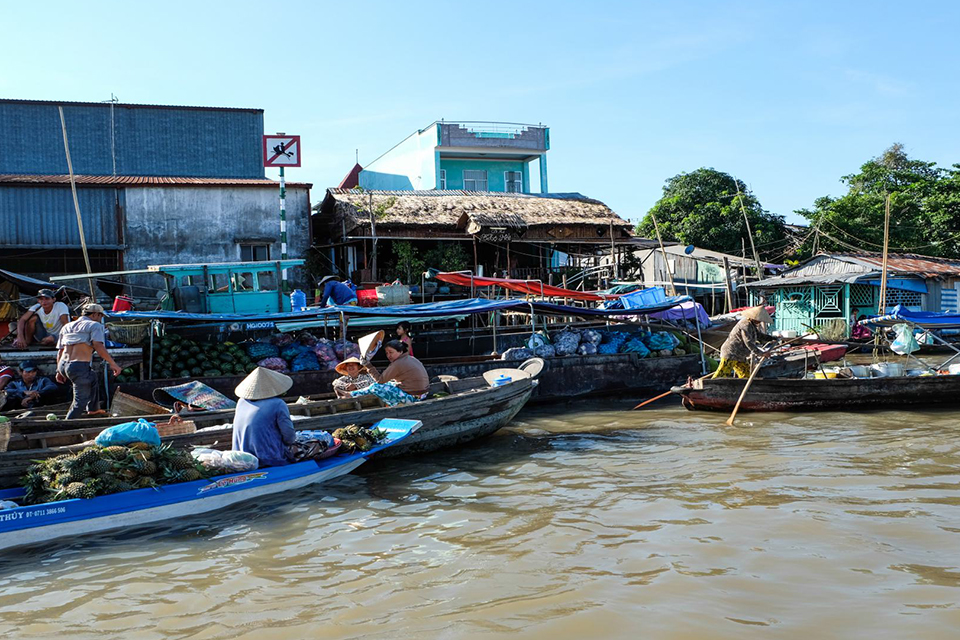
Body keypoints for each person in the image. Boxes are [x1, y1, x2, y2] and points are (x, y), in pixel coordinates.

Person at [55, 303, 123, 419]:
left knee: (92, 377)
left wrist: (59, 371)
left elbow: (60, 351)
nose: (101, 319)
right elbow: (98, 346)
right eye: (100, 316)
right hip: (78, 366)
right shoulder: (94, 326)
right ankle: (66, 425)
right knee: (79, 402)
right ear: (95, 314)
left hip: (63, 364)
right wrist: (113, 364)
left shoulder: (67, 326)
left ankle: (93, 409)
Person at [232, 367, 297, 467]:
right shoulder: (278, 404)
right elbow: (289, 437)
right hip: (268, 460)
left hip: (240, 458)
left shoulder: (241, 402)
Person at [353, 339, 429, 406]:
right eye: (387, 353)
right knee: (389, 383)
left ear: (400, 351)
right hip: (422, 395)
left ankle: (351, 395)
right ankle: (353, 393)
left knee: (376, 387)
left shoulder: (398, 363)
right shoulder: (410, 358)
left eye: (391, 352)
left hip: (413, 398)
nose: (388, 355)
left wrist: (368, 365)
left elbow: (380, 380)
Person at [712, 306, 776, 379]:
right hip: (731, 353)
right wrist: (761, 353)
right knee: (722, 374)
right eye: (759, 320)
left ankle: (744, 388)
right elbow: (748, 342)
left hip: (740, 355)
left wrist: (772, 338)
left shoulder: (752, 325)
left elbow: (758, 335)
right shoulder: (745, 324)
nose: (760, 322)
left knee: (746, 375)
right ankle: (710, 387)